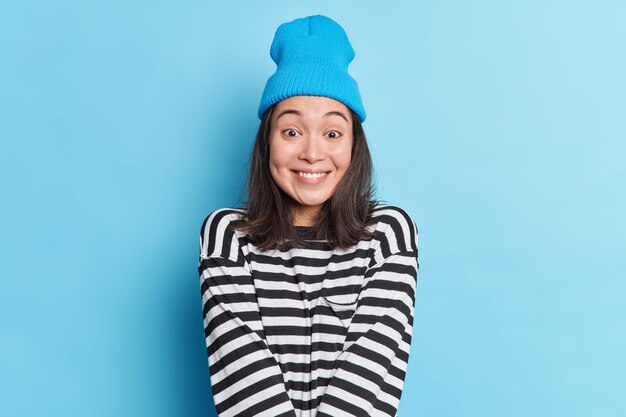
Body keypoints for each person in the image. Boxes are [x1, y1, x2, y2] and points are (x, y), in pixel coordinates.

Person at [198, 15, 419, 417]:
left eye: (332, 133)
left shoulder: (389, 234)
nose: (312, 153)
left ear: (354, 145)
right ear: (268, 141)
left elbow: (368, 382)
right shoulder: (227, 236)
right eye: (292, 131)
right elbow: (245, 385)